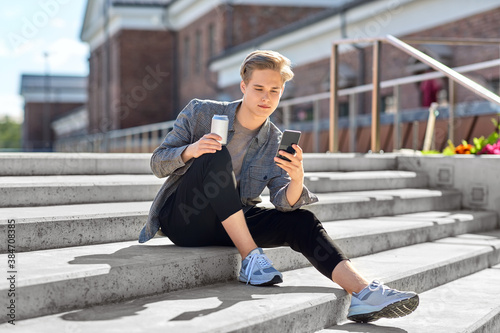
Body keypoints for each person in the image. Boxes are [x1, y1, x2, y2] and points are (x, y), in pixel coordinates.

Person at [138, 50, 419, 323]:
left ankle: (363, 293)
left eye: (274, 90)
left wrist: (297, 178)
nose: (265, 97)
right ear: (243, 86)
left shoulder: (275, 139)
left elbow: (284, 202)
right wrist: (193, 150)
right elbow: (157, 163)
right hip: (184, 218)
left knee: (302, 220)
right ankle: (250, 259)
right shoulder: (201, 112)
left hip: (231, 222)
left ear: (282, 92)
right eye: (258, 88)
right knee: (216, 154)